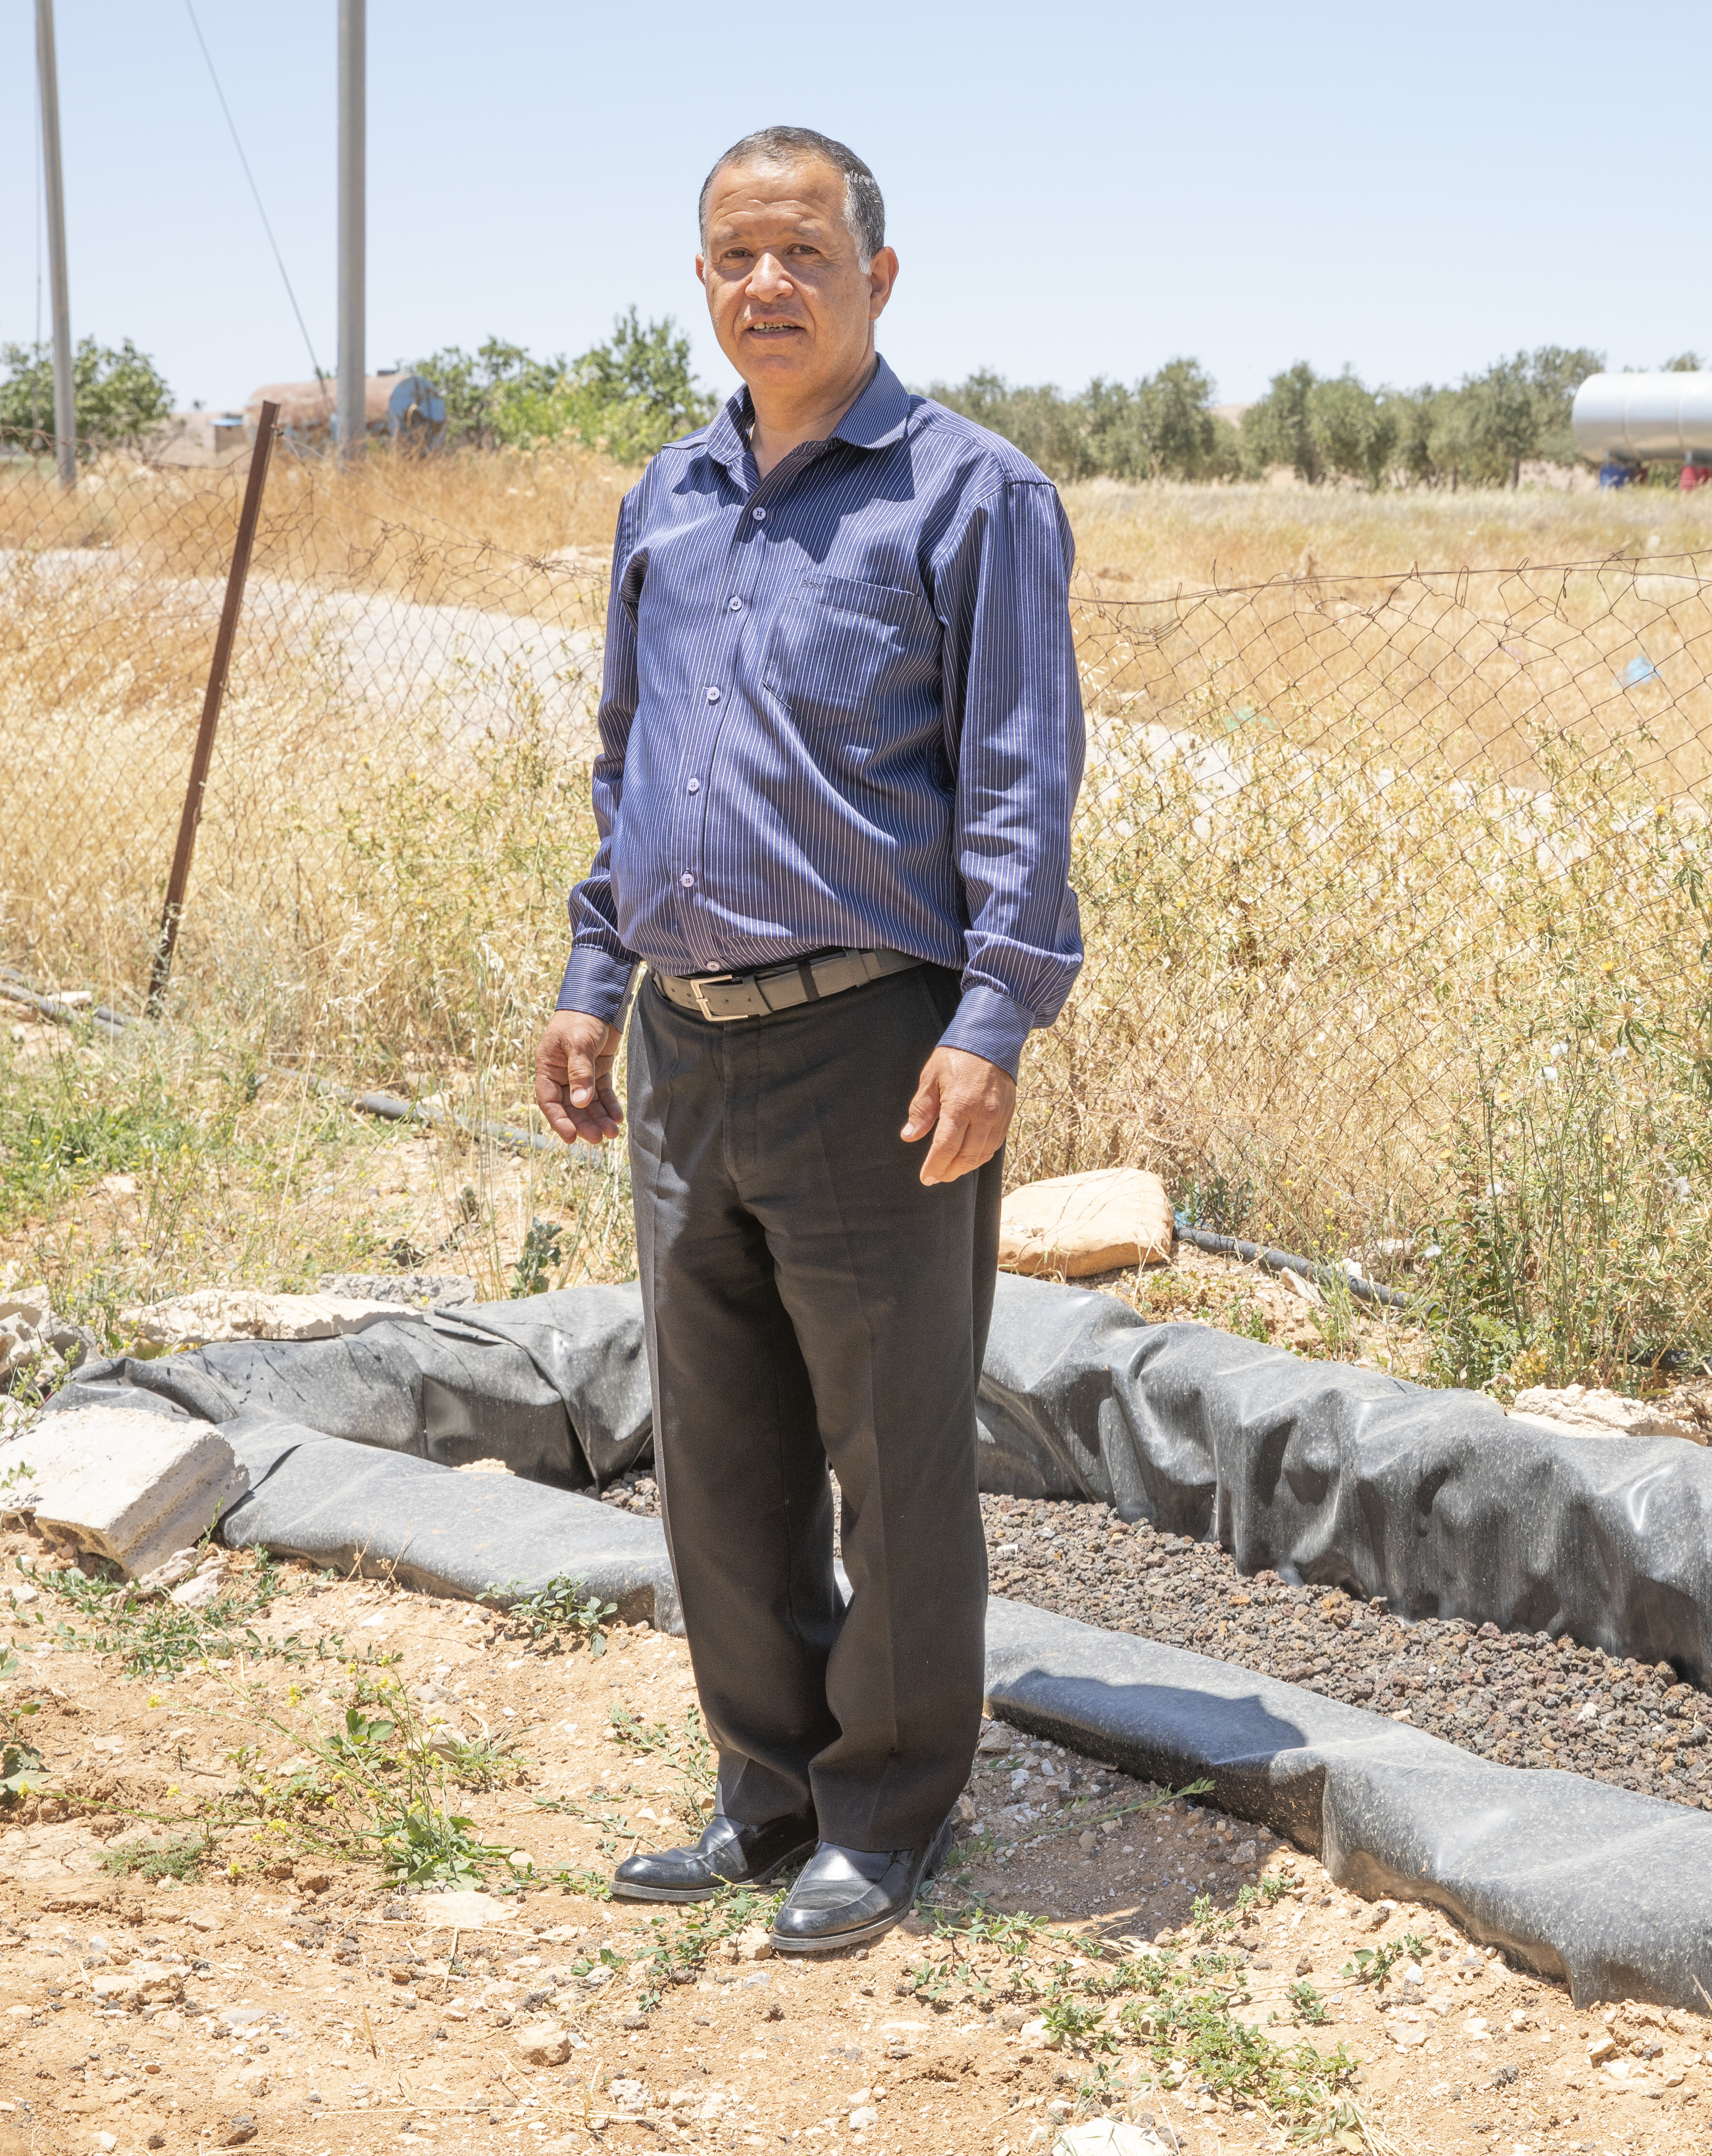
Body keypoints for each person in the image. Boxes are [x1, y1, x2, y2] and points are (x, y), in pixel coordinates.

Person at [532, 125, 1085, 1953]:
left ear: (879, 277)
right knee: (721, 1444)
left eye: (803, 255)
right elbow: (628, 766)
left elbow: (1017, 782)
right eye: (731, 259)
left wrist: (996, 1015)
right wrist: (594, 982)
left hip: (877, 1045)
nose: (766, 285)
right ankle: (765, 1791)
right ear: (701, 282)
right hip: (688, 1049)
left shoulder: (970, 495)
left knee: (892, 1444)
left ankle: (888, 1806)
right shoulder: (669, 499)